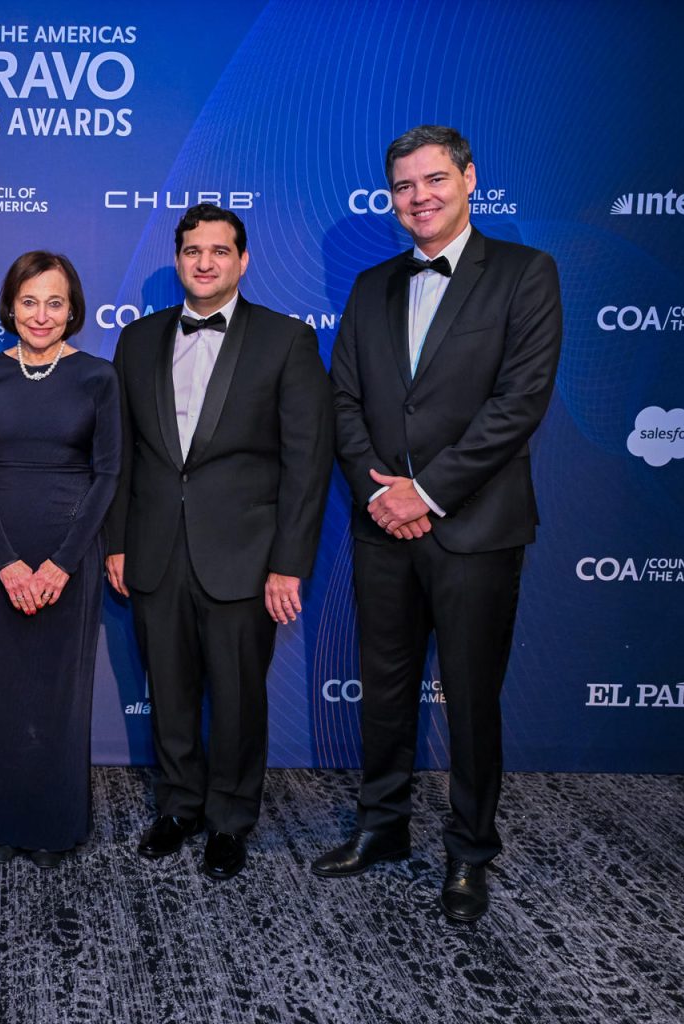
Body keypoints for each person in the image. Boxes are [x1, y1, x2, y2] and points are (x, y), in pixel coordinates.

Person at [313, 125, 562, 923]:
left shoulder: (525, 274)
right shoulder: (370, 285)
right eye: (404, 187)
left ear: (469, 179)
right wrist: (381, 494)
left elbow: (518, 404)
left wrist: (426, 491)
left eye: (433, 180)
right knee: (384, 691)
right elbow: (342, 402)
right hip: (381, 527)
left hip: (475, 529)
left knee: (473, 699)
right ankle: (381, 827)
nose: (419, 197)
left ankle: (468, 854)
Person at [104, 203, 333, 881]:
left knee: (236, 697)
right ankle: (178, 806)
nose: (205, 262)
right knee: (169, 693)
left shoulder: (285, 340)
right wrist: (117, 541)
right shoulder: (137, 340)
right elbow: (124, 455)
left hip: (244, 557)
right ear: (178, 259)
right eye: (193, 251)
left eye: (220, 251)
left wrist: (289, 564)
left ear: (243, 260)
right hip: (154, 551)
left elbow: (306, 460)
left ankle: (231, 818)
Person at [0, 252, 120, 868]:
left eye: (55, 302)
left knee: (59, 693)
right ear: (10, 306)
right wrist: (4, 562)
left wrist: (61, 563)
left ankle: (54, 826)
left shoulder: (98, 378)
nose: (42, 314)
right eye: (29, 301)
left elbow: (107, 476)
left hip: (70, 558)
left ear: (73, 308)